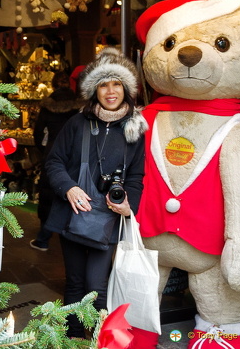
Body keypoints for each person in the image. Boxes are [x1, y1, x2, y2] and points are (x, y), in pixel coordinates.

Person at [43, 47, 147, 339]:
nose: (110, 91)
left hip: (109, 219)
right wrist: (69, 187)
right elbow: (54, 162)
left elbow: (137, 176)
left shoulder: (135, 129)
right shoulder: (78, 123)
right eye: (103, 84)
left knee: (97, 285)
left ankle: (99, 341)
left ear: (126, 89)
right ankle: (73, 339)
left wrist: (130, 205)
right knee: (74, 282)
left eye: (117, 84)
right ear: (94, 90)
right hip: (73, 214)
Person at [30, 70, 81, 251]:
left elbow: (38, 132)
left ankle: (43, 238)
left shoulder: (47, 105)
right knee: (73, 191)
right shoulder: (78, 106)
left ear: (53, 84)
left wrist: (44, 149)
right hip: (75, 153)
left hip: (52, 151)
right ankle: (71, 234)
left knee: (48, 194)